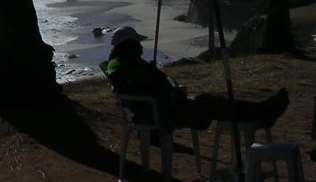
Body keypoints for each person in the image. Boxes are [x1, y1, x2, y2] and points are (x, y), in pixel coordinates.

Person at [104, 26, 289, 131]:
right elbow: (126, 91)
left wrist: (170, 87)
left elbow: (164, 78)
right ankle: (262, 112)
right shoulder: (117, 65)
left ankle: (261, 110)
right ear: (127, 46)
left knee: (211, 100)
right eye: (137, 44)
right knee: (213, 104)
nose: (141, 48)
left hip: (170, 105)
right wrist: (162, 93)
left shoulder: (139, 63)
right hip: (161, 111)